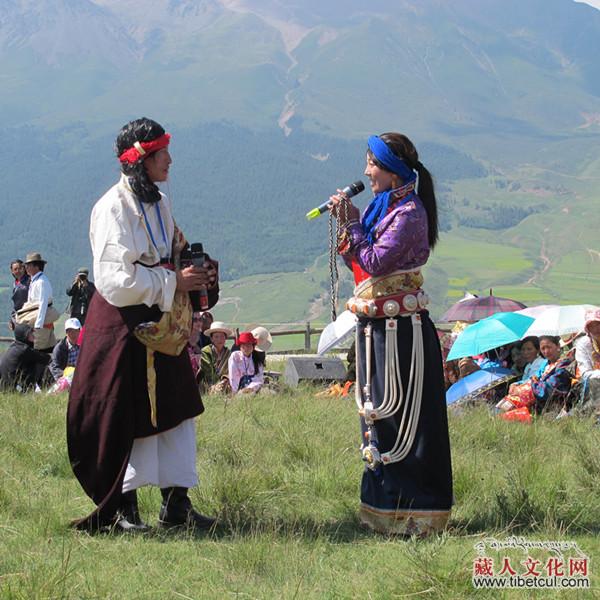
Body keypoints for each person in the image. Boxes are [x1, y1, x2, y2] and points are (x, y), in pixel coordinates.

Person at [67, 118, 219, 532]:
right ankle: (124, 509)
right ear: (140, 160)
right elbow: (115, 281)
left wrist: (192, 267)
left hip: (162, 324)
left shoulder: (159, 202)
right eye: (160, 154)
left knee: (177, 408)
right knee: (127, 415)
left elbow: (167, 252)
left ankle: (177, 505)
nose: (169, 160)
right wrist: (173, 281)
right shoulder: (112, 207)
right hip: (123, 326)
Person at [329, 132, 452, 536]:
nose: (366, 172)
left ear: (393, 169)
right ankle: (383, 508)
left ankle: (416, 511)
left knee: (406, 418)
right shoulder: (384, 207)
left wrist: (351, 222)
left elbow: (377, 262)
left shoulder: (410, 213)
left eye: (372, 164)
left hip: (404, 334)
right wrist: (349, 224)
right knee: (379, 412)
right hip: (379, 327)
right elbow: (359, 264)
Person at [497, 335, 572, 417]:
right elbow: (533, 377)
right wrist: (518, 385)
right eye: (543, 348)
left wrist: (526, 388)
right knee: (507, 403)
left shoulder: (563, 365)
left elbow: (549, 387)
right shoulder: (546, 364)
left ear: (558, 346)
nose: (546, 351)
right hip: (537, 398)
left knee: (513, 407)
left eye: (549, 347)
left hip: (550, 402)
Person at [21, 252, 58, 352]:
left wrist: (38, 324)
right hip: (36, 315)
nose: (26, 268)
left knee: (40, 346)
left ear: (36, 266)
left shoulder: (41, 282)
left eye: (28, 265)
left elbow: (43, 304)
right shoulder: (35, 281)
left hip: (41, 317)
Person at [0, 324, 50, 391]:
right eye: (30, 334)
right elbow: (47, 359)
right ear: (24, 336)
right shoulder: (25, 350)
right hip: (16, 389)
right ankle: (50, 390)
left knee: (33, 362)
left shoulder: (13, 347)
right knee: (40, 364)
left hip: (5, 387)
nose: (34, 336)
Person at [574, 308, 600, 417]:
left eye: (598, 324)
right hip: (590, 383)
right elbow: (585, 373)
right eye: (591, 326)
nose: (596, 329)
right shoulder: (583, 344)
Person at [198, 321, 232, 393]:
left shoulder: (228, 353)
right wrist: (218, 385)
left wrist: (225, 380)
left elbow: (231, 371)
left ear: (225, 338)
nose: (219, 339)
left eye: (222, 336)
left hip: (225, 385)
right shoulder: (206, 352)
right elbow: (208, 372)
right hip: (208, 385)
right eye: (216, 336)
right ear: (212, 339)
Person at [9, 259, 30, 330]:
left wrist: (13, 317)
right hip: (21, 316)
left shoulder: (28, 282)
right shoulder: (16, 283)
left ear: (24, 269)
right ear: (12, 271)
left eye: (20, 268)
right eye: (15, 269)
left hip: (26, 315)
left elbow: (19, 303)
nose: (18, 271)